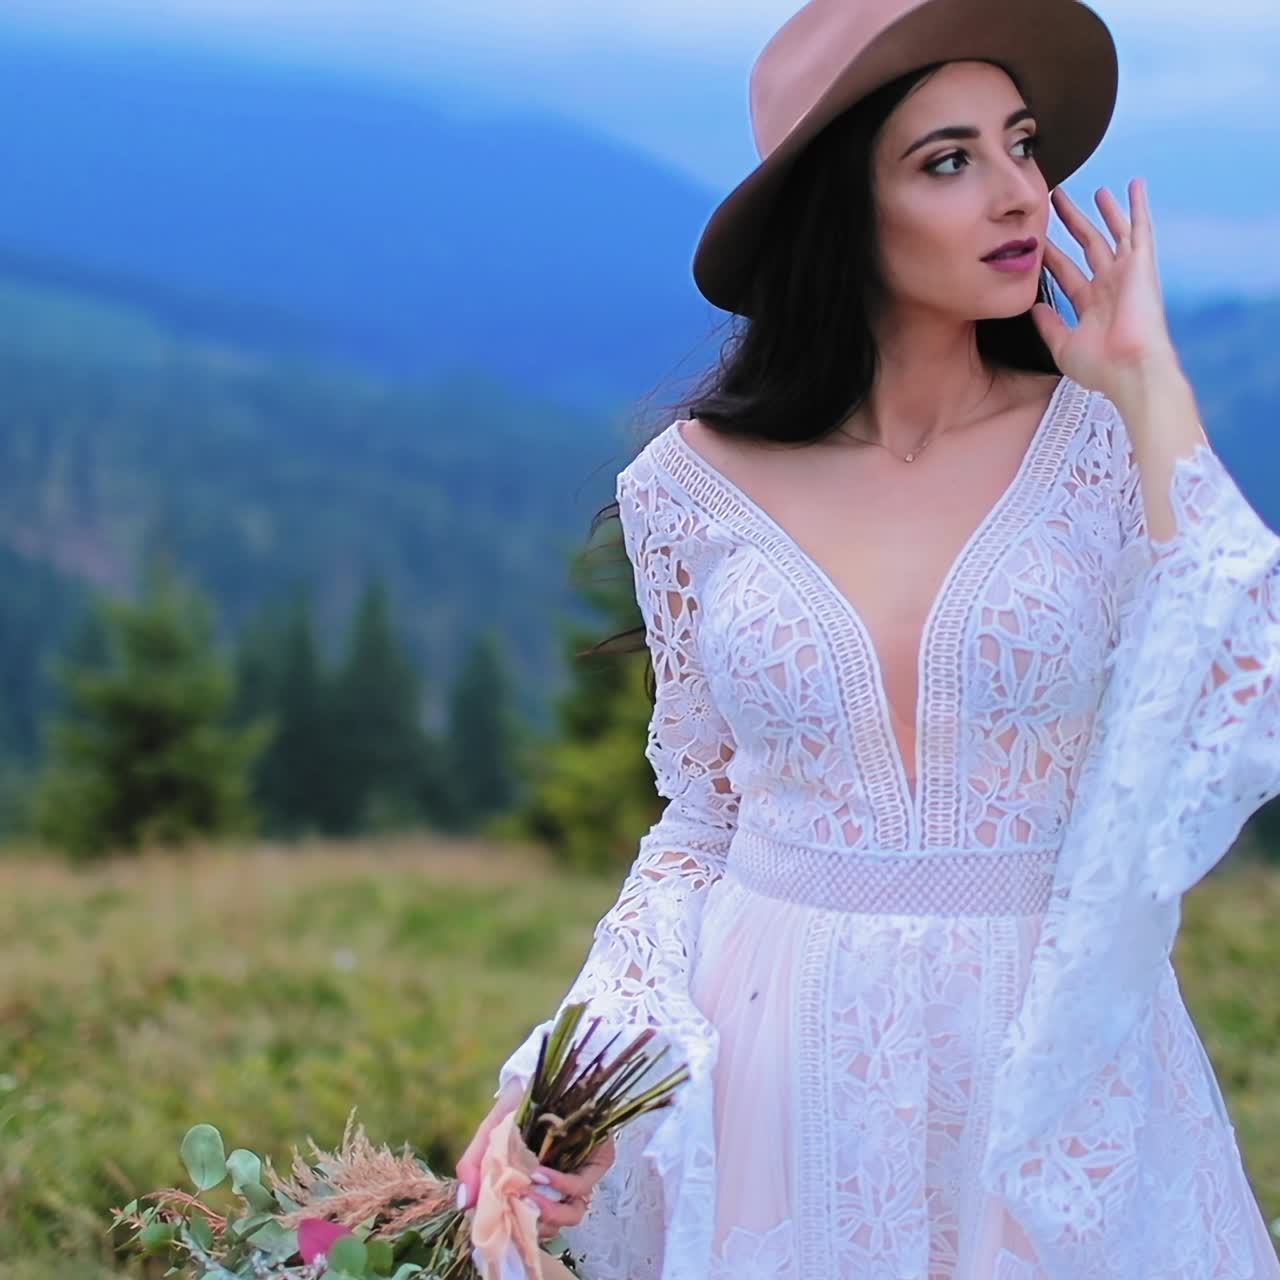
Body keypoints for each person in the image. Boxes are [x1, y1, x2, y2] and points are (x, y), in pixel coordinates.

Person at [458, 0, 1280, 1276]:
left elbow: (1247, 677)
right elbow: (700, 824)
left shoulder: (1103, 444)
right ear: (840, 212)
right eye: (945, 161)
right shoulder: (686, 487)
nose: (1016, 193)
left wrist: (1149, 381)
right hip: (778, 1070)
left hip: (1051, 1055)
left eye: (1018, 144)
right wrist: (570, 1074)